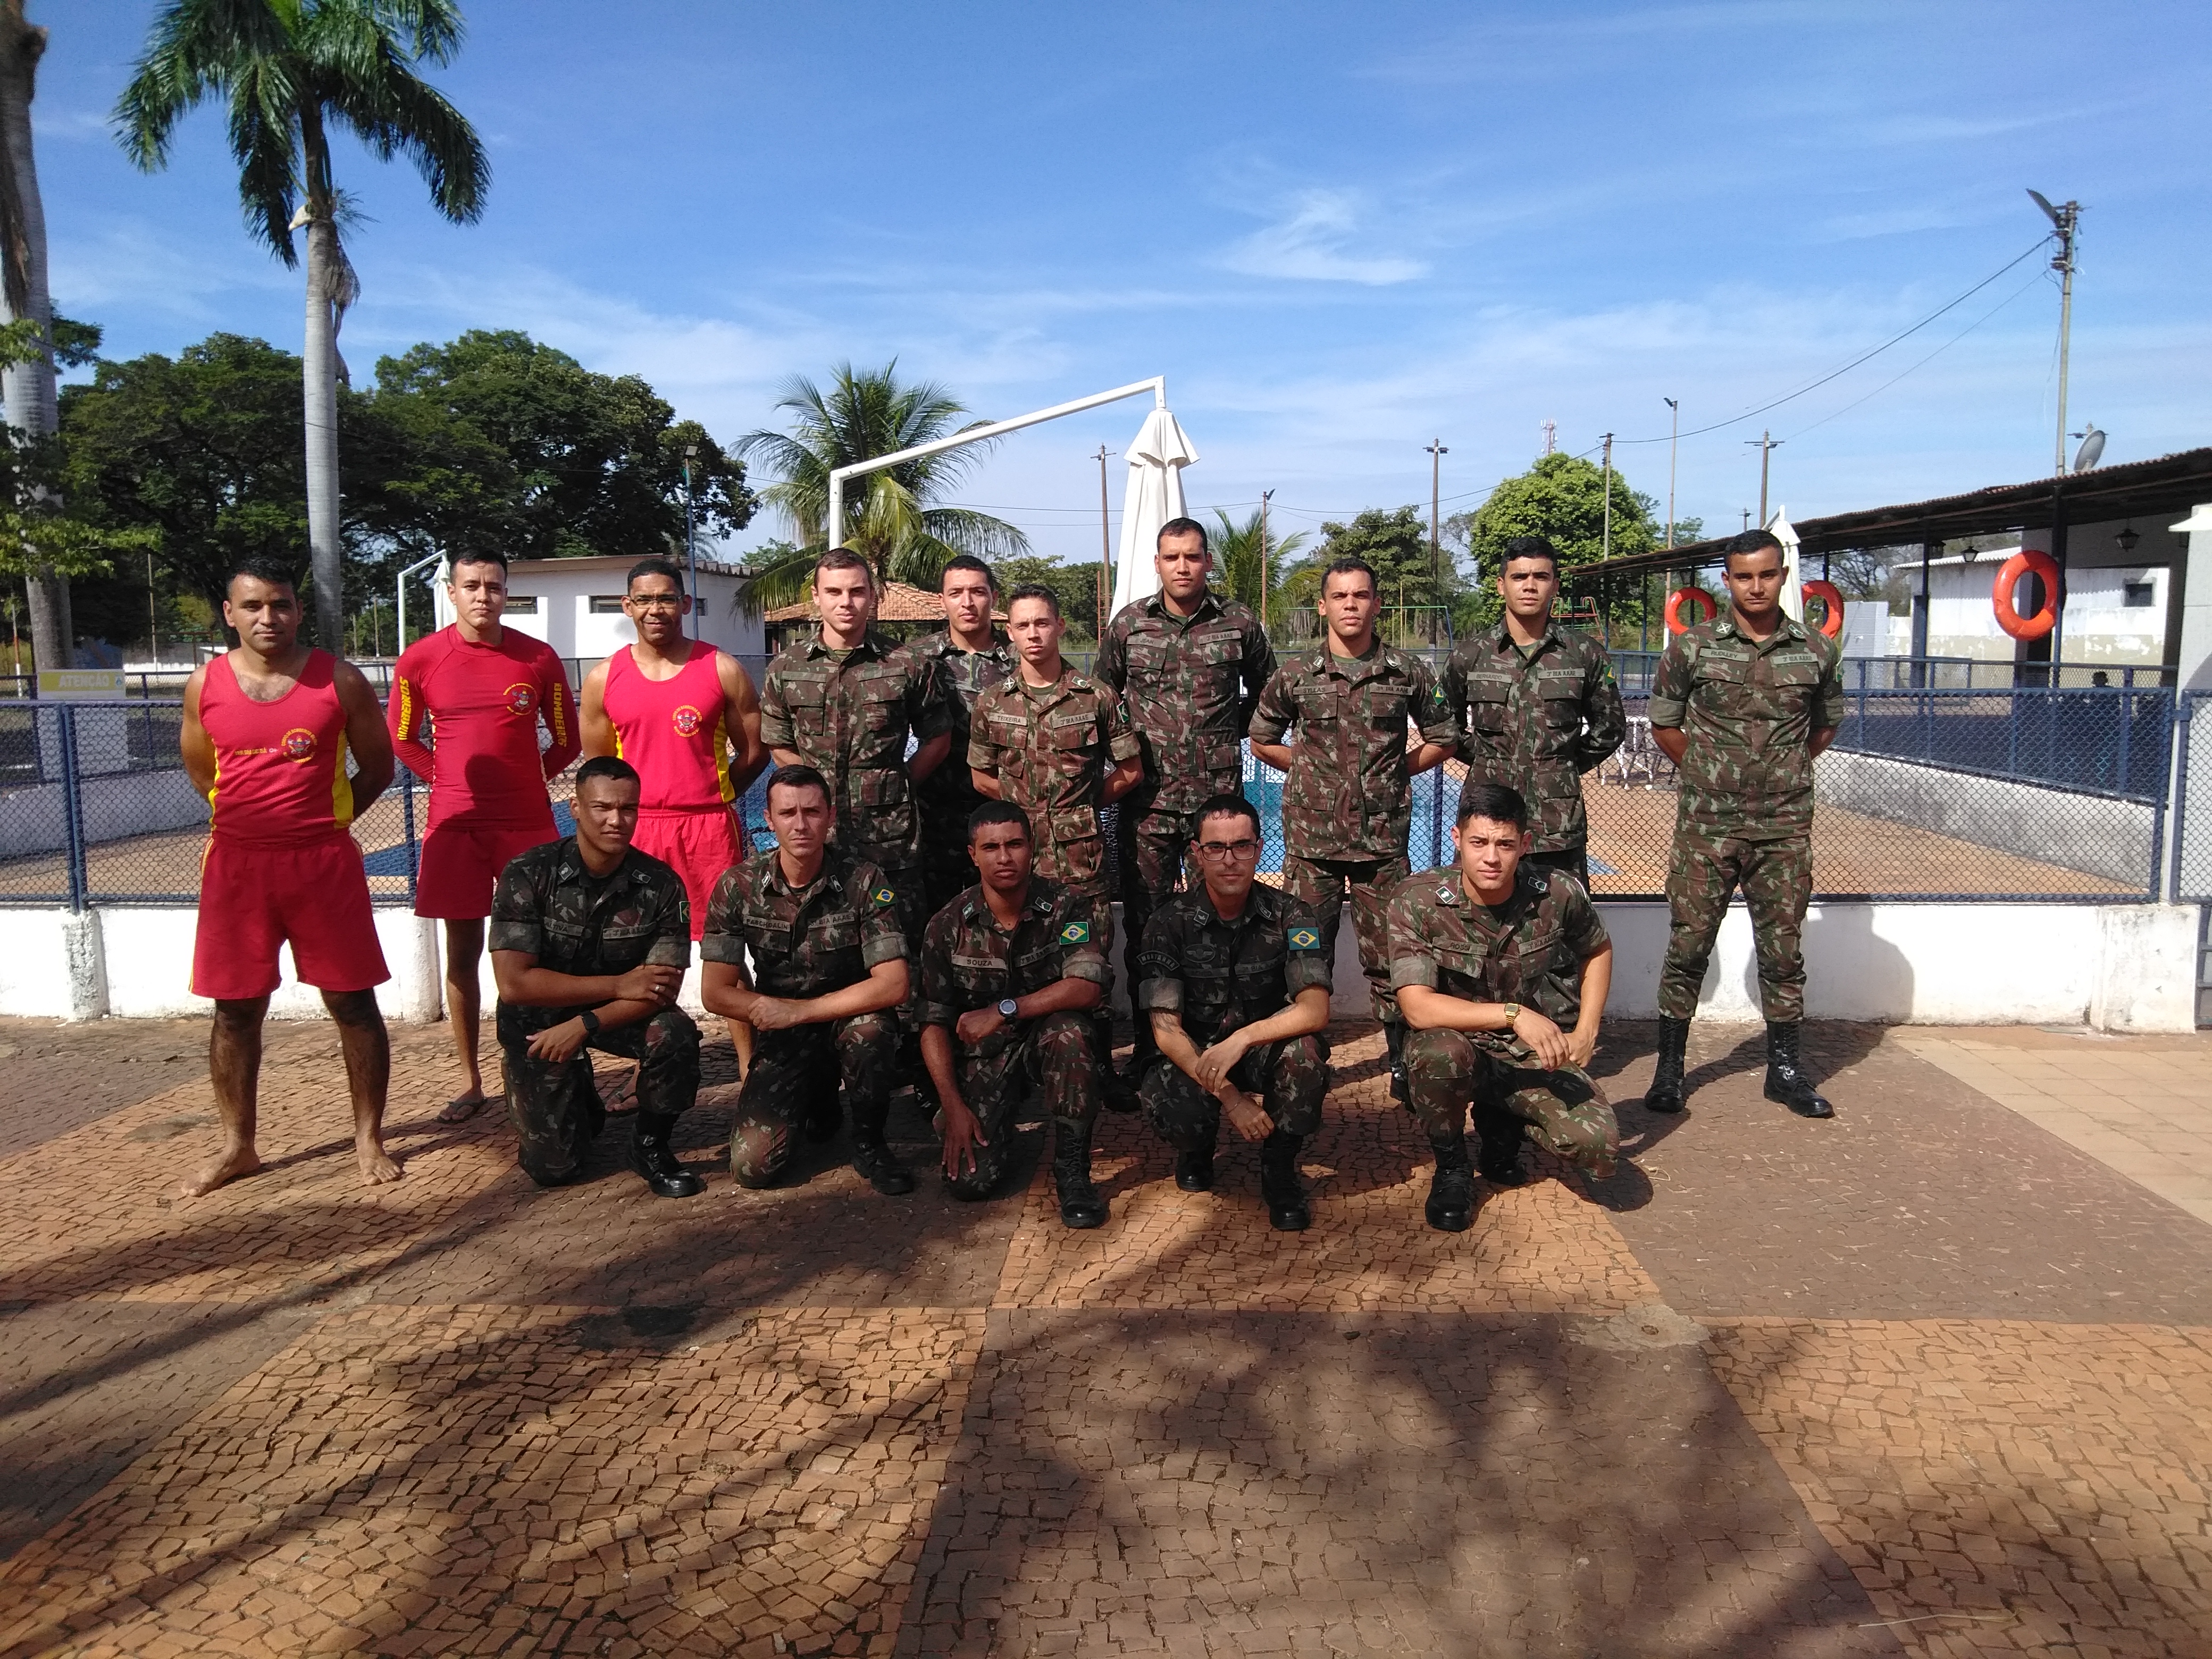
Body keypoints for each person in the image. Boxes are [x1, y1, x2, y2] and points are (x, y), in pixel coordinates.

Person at [177, 555, 399, 1197]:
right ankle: (237, 1145)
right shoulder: (204, 685)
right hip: (237, 867)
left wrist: (322, 824)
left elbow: (378, 768)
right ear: (229, 614)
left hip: (322, 864)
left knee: (353, 1003)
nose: (267, 617)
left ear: (298, 610)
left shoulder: (342, 681)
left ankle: (368, 1137)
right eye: (253, 606)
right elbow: (203, 774)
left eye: (280, 605)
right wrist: (253, 826)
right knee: (235, 1012)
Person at [1646, 528, 1846, 1119]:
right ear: (1725, 579)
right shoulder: (1693, 648)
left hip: (1783, 827)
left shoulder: (1815, 650)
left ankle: (1783, 1071)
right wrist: (1710, 773)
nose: (1754, 586)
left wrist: (1779, 771)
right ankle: (1669, 1070)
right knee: (1688, 945)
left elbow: (1823, 726)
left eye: (1765, 574)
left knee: (1782, 952)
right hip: (1706, 826)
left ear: (1782, 575)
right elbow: (1664, 722)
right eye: (1742, 575)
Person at [1249, 555, 1455, 1105]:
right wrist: (1312, 773)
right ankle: (1300, 1066)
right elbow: (1261, 738)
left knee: (1391, 961)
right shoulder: (1295, 675)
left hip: (1381, 846)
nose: (1349, 605)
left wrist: (1394, 771)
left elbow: (1443, 736)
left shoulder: (1406, 672)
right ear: (1322, 606)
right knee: (1302, 956)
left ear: (1376, 603)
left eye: (1360, 596)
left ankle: (1401, 1065)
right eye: (1338, 597)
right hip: (1312, 848)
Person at [389, 549, 580, 1123]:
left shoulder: (538, 658)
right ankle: (471, 1080)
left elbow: (566, 742)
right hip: (455, 828)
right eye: (471, 586)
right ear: (451, 591)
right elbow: (403, 740)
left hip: (527, 825)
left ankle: (548, 1062)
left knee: (541, 948)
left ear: (505, 593)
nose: (482, 597)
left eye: (493, 587)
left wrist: (524, 783)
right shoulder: (420, 660)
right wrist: (445, 782)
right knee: (463, 952)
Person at [1387, 784, 1619, 1231]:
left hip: (1523, 1051)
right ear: (1457, 838)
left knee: (1597, 1146)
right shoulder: (1418, 900)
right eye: (1478, 843)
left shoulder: (1558, 893)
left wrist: (1588, 1028)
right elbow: (1417, 1008)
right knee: (1440, 1056)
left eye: (1505, 844)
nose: (1491, 857)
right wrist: (1513, 1014)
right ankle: (1453, 1166)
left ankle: (1502, 1125)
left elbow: (1598, 947)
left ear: (1524, 845)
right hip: (1453, 1043)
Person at [1096, 517, 1277, 1087]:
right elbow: (1103, 697)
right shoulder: (1128, 625)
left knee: (1222, 925)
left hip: (1217, 805)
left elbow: (1269, 695)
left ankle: (1221, 1040)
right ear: (1156, 563)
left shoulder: (1238, 623)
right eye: (1172, 557)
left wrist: (1226, 733)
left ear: (1206, 563)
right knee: (1150, 931)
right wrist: (1129, 748)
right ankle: (1154, 1052)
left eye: (1193, 557)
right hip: (1146, 804)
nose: (1182, 566)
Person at [580, 555, 766, 1075]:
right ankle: (647, 1066)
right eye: (644, 599)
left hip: (708, 828)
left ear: (683, 604)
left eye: (665, 598)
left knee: (724, 954)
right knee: (640, 957)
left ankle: (752, 1068)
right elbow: (599, 772)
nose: (655, 609)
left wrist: (721, 796)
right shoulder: (603, 679)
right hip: (638, 836)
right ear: (627, 606)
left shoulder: (720, 669)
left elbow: (755, 751)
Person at [487, 756, 703, 1197]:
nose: (616, 820)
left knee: (675, 1033)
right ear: (576, 808)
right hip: (537, 1021)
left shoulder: (660, 885)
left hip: (614, 1015)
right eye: (603, 807)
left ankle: (650, 1145)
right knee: (555, 1167)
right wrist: (618, 985)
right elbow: (515, 984)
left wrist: (585, 1024)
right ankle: (578, 1092)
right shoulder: (529, 874)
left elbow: (663, 989)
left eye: (628, 809)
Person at [699, 766, 915, 1195]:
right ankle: (818, 1100)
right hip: (783, 1032)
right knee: (752, 1168)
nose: (801, 825)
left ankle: (871, 1141)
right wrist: (768, 1015)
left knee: (871, 1033)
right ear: (769, 818)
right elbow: (714, 992)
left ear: (830, 816)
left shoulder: (865, 881)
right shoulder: (738, 886)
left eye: (813, 812)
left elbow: (893, 985)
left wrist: (801, 1011)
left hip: (846, 1017)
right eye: (789, 813)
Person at [1135, 793, 1331, 1232]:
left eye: (1242, 846)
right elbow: (1165, 1030)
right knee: (1173, 1105)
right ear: (1197, 855)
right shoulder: (1168, 923)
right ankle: (1197, 1149)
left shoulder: (1292, 915)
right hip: (1195, 1053)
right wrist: (1233, 1099)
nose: (1230, 860)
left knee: (1306, 1056)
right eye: (1216, 848)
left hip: (1261, 1049)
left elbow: (1315, 1009)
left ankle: (1279, 1169)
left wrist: (1243, 1039)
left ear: (1259, 849)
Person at [918, 802, 1112, 1227]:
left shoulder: (1068, 907)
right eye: (991, 847)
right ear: (973, 854)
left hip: (1047, 1039)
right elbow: (932, 1023)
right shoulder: (947, 925)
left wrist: (1005, 1009)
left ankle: (1073, 1172)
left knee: (1071, 1034)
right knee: (971, 1183)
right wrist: (952, 1107)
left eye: (1014, 844)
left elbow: (1087, 985)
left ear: (1033, 848)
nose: (1004, 858)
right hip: (986, 1059)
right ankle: (997, 1123)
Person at [1442, 534, 1625, 887]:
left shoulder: (1583, 654)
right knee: (1475, 923)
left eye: (1540, 577)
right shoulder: (1471, 654)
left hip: (1556, 823)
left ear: (1555, 585)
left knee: (1565, 924)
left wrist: (1562, 764)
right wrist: (1487, 759)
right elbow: (1444, 723)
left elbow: (1610, 727)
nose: (1530, 586)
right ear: (1501, 585)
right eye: (1519, 577)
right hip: (1486, 818)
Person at [900, 555, 1015, 921]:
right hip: (934, 815)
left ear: (993, 597)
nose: (967, 602)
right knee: (940, 922)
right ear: (942, 599)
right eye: (956, 593)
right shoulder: (915, 659)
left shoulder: (1019, 657)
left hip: (1005, 810)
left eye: (977, 592)